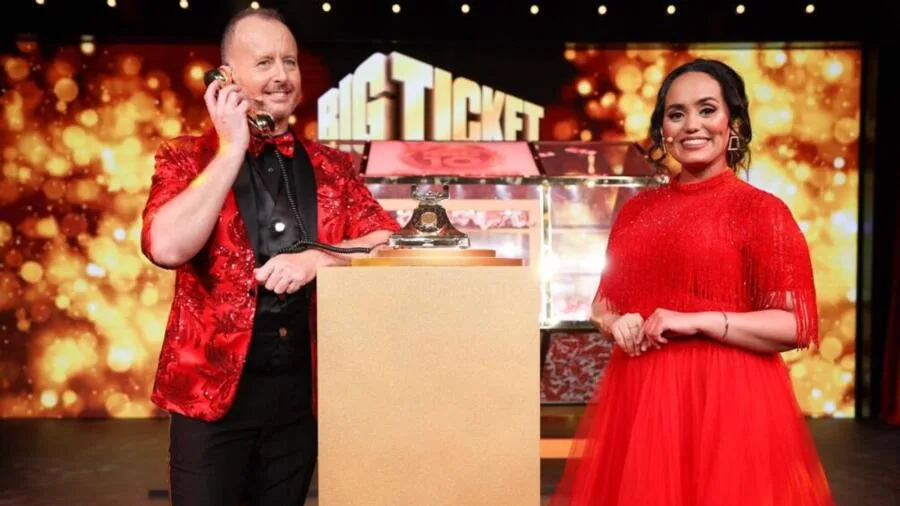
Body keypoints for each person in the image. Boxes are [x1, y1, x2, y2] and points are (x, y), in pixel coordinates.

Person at [139, 8, 399, 506]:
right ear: (226, 78)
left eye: (290, 62)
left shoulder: (332, 166)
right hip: (211, 400)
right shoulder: (185, 157)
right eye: (264, 63)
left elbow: (387, 238)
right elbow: (166, 247)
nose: (281, 75)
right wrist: (231, 148)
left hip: (301, 402)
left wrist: (321, 258)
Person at [549, 58, 835, 506]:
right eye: (676, 113)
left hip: (728, 404)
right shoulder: (637, 211)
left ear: (732, 123)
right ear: (663, 128)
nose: (691, 125)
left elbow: (797, 325)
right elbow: (603, 304)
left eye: (707, 109)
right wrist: (616, 322)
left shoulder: (761, 211)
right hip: (640, 404)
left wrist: (698, 320)